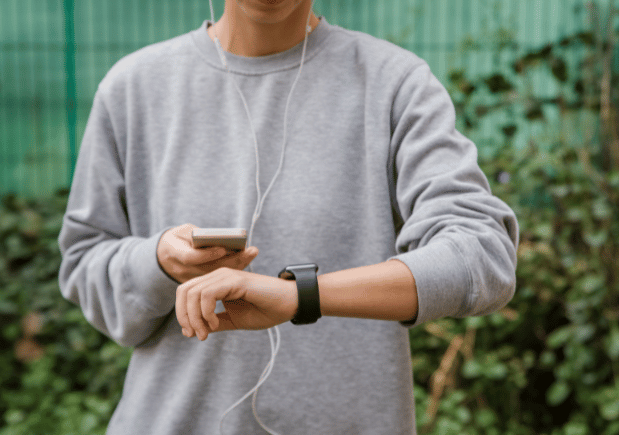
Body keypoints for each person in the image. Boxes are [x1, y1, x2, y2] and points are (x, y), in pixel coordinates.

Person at [57, 0, 519, 433]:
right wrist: (158, 261)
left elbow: (482, 256)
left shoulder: (394, 83)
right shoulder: (133, 87)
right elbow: (82, 263)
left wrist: (301, 296)